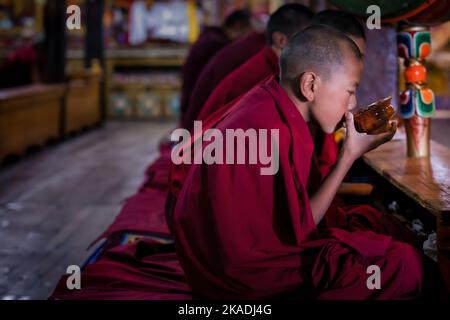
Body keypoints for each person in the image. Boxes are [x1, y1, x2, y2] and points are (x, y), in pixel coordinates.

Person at [172, 25, 423, 299]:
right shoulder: (270, 129)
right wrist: (349, 156)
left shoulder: (273, 102)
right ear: (310, 85)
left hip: (223, 262)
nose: (353, 104)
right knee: (403, 263)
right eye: (350, 91)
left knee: (375, 224)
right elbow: (303, 228)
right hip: (243, 277)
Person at [180, 10, 252, 119]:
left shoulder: (212, 37)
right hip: (198, 105)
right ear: (238, 27)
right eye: (247, 33)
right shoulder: (216, 44)